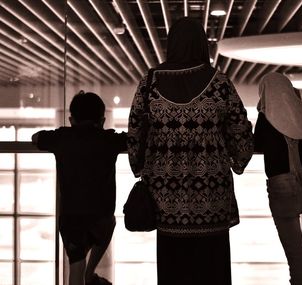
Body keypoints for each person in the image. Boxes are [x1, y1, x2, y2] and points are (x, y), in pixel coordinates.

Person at [127, 17, 254, 285]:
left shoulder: (150, 82)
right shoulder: (219, 83)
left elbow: (135, 132)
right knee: (213, 271)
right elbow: (240, 131)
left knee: (173, 272)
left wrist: (140, 167)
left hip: (166, 200)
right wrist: (237, 162)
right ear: (201, 44)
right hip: (212, 197)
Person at [32, 91, 127, 285]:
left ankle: (84, 274)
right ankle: (90, 274)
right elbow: (133, 140)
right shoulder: (109, 139)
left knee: (75, 266)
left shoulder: (62, 137)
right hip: (101, 217)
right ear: (102, 120)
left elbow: (36, 138)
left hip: (71, 218)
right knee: (110, 224)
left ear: (71, 119)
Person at [254, 72, 302, 285]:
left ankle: (301, 280)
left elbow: (257, 144)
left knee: (293, 250)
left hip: (282, 188)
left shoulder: (266, 118)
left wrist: (262, 110)